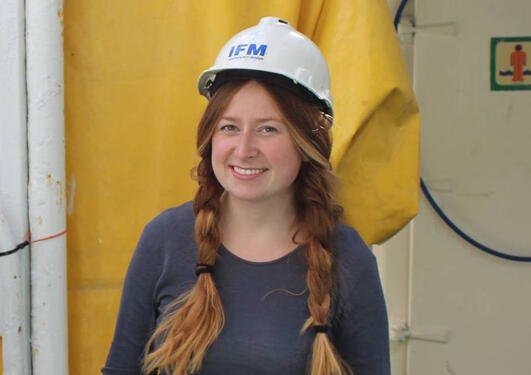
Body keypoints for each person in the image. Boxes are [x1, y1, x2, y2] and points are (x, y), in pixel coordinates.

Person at [103, 17, 390, 375]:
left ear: (307, 145)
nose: (244, 149)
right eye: (229, 127)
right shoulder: (163, 240)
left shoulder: (348, 260)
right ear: (211, 138)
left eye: (268, 129)